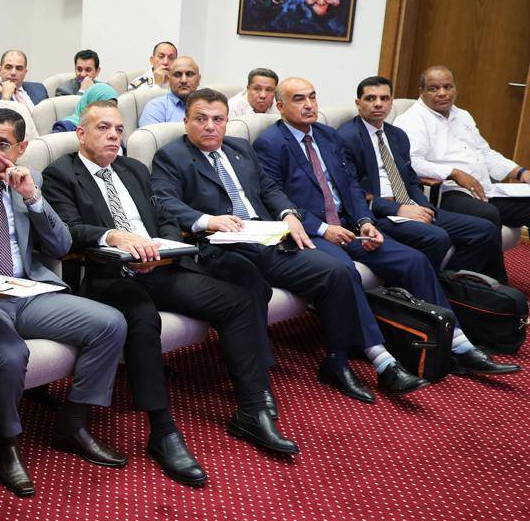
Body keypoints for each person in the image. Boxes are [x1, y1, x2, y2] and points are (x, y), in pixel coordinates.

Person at [42, 98, 297, 471]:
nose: (113, 136)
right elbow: (69, 229)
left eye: (118, 129)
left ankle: (252, 410)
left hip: (160, 266)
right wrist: (114, 237)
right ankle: (162, 432)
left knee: (238, 300)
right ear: (81, 134)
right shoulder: (61, 174)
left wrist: (164, 247)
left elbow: (164, 216)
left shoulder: (133, 169)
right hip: (110, 275)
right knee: (144, 320)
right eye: (103, 128)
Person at [152, 89, 442, 404]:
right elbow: (165, 202)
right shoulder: (171, 156)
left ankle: (340, 362)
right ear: (186, 121)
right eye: (201, 119)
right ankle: (258, 386)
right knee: (249, 286)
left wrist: (288, 214)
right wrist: (209, 220)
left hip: (268, 239)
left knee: (337, 272)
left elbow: (269, 189)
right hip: (222, 247)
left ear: (226, 121)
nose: (210, 126)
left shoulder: (239, 148)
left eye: (217, 119)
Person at [0, 108, 130, 496]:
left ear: (21, 148)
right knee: (10, 355)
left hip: (27, 291)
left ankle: (73, 424)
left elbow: (61, 245)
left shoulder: (29, 181)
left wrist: (32, 198)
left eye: (2, 144)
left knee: (111, 323)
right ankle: (8, 442)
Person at [255, 77, 516, 386]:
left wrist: (365, 221)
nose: (309, 104)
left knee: (414, 261)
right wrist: (324, 229)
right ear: (280, 106)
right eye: (299, 99)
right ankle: (382, 360)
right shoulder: (270, 143)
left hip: (350, 225)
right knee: (345, 271)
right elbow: (276, 198)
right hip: (312, 232)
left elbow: (351, 186)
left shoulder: (327, 135)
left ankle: (457, 343)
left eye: (312, 97)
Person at [337, 76, 505, 282]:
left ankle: (452, 285)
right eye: (371, 98)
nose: (378, 104)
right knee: (436, 236)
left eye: (384, 98)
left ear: (391, 102)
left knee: (484, 230)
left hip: (411, 206)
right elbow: (350, 190)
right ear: (358, 103)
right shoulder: (346, 137)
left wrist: (423, 206)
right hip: (379, 213)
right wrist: (398, 209)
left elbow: (410, 178)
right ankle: (418, 291)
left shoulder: (397, 135)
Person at [394, 65, 530, 233]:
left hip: (482, 189)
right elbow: (411, 162)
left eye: (448, 87)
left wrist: (520, 172)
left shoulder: (463, 115)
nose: (442, 93)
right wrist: (454, 173)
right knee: (487, 214)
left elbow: (485, 153)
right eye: (433, 89)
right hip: (446, 190)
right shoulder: (411, 120)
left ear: (455, 89)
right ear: (421, 91)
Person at [139, 56, 202, 126]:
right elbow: (150, 133)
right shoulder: (156, 107)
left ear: (199, 79)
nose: (183, 80)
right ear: (169, 79)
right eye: (177, 75)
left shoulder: (208, 106)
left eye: (189, 74)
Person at [51, 80, 118, 133]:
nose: (109, 112)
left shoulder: (114, 129)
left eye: (113, 107)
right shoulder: (65, 127)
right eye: (104, 106)